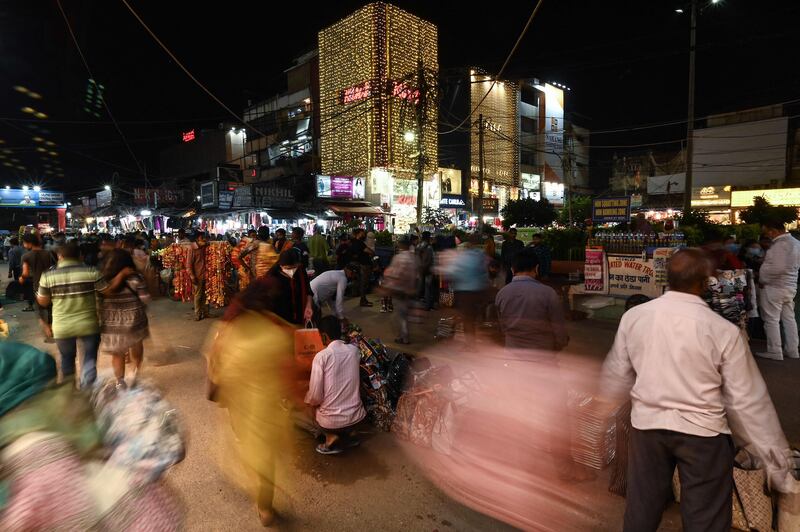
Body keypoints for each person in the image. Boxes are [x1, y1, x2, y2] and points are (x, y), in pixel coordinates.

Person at [601, 248, 795, 531]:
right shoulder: (723, 331)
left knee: (641, 508)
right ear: (706, 283)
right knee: (705, 518)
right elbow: (749, 403)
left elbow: (616, 375)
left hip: (647, 428)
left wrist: (606, 408)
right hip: (703, 435)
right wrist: (779, 469)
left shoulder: (636, 317)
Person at [205, 277, 296, 527]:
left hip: (238, 403)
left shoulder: (227, 330)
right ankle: (265, 507)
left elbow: (214, 366)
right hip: (266, 406)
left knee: (246, 446)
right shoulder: (277, 334)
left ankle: (254, 483)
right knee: (265, 457)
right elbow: (289, 376)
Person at [37, 241, 134, 388]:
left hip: (63, 327)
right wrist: (121, 276)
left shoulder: (48, 275)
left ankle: (69, 392)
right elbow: (107, 292)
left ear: (60, 256)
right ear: (80, 255)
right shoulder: (91, 271)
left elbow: (43, 302)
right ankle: (87, 393)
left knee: (67, 360)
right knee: (89, 361)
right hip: (88, 325)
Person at [304, 315, 366, 455]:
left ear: (324, 336)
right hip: (356, 417)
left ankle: (331, 438)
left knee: (303, 410)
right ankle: (349, 434)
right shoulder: (354, 351)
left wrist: (306, 400)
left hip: (331, 422)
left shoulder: (322, 357)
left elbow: (315, 396)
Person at [495, 248, 568, 354]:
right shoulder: (548, 293)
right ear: (537, 268)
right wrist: (561, 342)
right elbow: (558, 325)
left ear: (512, 270)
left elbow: (502, 326)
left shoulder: (502, 293)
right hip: (542, 352)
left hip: (512, 351)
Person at [98, 249, 151, 389]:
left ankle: (120, 381)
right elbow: (145, 299)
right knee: (137, 347)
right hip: (134, 320)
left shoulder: (103, 280)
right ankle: (134, 374)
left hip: (112, 321)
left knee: (117, 352)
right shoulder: (136, 278)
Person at [756, 219, 800, 360]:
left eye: (767, 232)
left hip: (775, 287)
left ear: (772, 231)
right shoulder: (796, 243)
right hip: (789, 286)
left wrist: (763, 279)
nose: (767, 235)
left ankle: (775, 351)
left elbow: (777, 268)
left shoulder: (780, 245)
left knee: (771, 320)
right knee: (789, 319)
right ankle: (792, 350)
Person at [439, 234, 489, 344]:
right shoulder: (480, 255)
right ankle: (471, 339)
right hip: (478, 291)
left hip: (464, 292)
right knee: (472, 317)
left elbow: (452, 273)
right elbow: (485, 272)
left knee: (467, 318)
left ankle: (470, 343)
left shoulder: (461, 256)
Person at [381, 237, 418, 344]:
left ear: (402, 246)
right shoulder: (413, 258)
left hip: (399, 289)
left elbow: (395, 273)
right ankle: (404, 336)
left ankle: (403, 337)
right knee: (404, 314)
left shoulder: (399, 258)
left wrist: (387, 286)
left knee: (400, 315)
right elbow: (417, 274)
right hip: (409, 288)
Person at [20, 233, 56, 340]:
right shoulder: (49, 253)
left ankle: (47, 328)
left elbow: (25, 273)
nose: (23, 245)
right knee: (51, 307)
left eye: (24, 243)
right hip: (53, 283)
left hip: (38, 285)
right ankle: (52, 326)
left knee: (40, 308)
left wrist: (21, 278)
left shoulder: (26, 256)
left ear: (29, 243)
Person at [266, 249, 314, 325]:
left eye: (294, 267)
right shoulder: (272, 277)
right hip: (281, 321)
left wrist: (308, 306)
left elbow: (309, 291)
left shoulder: (300, 271)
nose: (292, 271)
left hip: (300, 317)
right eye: (288, 268)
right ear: (280, 265)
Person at [186, 232, 209, 321]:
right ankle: (198, 314)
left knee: (206, 294)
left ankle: (206, 312)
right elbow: (188, 265)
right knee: (198, 295)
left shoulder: (203, 247)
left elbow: (208, 243)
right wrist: (192, 276)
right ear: (197, 239)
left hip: (205, 274)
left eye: (204, 237)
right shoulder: (192, 249)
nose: (204, 239)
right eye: (202, 237)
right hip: (197, 276)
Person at [349, 229, 374, 307]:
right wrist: (372, 252)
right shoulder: (359, 243)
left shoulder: (353, 243)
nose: (364, 235)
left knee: (362, 283)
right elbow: (369, 252)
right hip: (364, 265)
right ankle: (363, 300)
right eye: (362, 233)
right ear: (359, 234)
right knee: (364, 283)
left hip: (360, 264)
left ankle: (363, 299)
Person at [7, 237, 28, 308]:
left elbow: (11, 262)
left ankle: (20, 296)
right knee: (24, 281)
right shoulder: (22, 248)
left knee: (18, 282)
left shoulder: (11, 250)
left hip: (17, 268)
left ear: (11, 243)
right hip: (24, 267)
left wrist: (10, 271)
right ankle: (26, 295)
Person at [416, 231, 435, 310]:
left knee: (420, 287)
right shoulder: (429, 247)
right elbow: (430, 260)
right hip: (428, 270)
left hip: (419, 269)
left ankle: (418, 304)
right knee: (428, 288)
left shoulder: (418, 246)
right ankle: (428, 306)